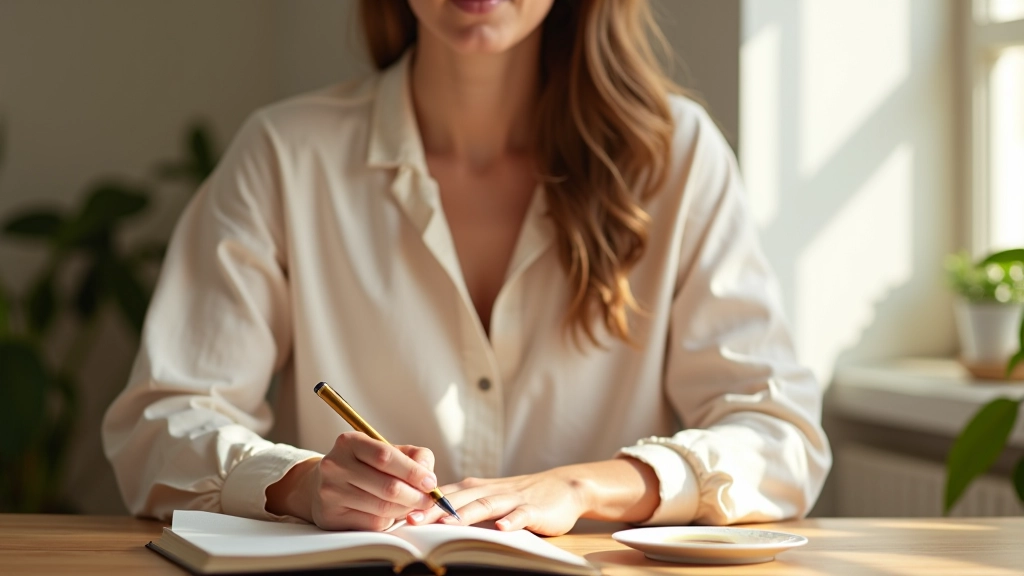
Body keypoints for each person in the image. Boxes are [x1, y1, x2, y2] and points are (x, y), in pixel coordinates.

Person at [102, 0, 831, 536]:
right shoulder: (285, 157)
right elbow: (162, 420)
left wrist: (582, 487)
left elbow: (778, 435)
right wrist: (299, 484)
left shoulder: (675, 158)